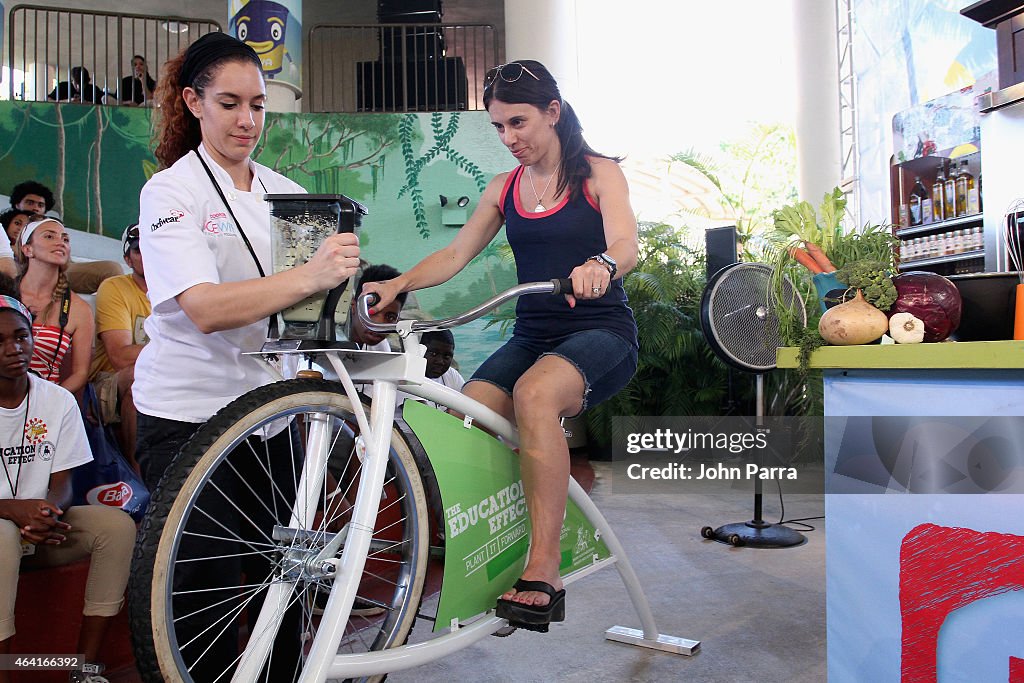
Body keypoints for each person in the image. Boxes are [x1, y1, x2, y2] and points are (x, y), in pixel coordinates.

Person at [362, 59, 639, 631]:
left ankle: (544, 567)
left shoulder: (596, 172)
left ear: (553, 114)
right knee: (469, 415)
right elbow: (454, 255)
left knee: (536, 395)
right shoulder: (505, 188)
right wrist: (397, 284)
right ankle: (496, 545)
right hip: (533, 334)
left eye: (519, 123)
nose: (509, 138)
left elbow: (627, 240)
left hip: (601, 332)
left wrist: (602, 264)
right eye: (499, 128)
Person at [133, 31, 359, 680]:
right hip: (189, 416)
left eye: (257, 105)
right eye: (229, 103)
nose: (247, 121)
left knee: (285, 583)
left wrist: (352, 307)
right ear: (193, 102)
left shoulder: (288, 193)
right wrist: (312, 276)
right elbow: (203, 307)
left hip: (274, 417)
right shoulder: (171, 193)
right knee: (201, 591)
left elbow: (313, 320)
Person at [0, 284, 136, 683]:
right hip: (7, 531)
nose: (13, 348)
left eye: (21, 336)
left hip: (38, 527)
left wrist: (47, 510)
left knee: (115, 526)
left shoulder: (56, 399)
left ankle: (85, 668)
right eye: (0, 341)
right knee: (3, 537)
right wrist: (13, 511)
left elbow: (64, 481)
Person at [87, 225, 149, 469]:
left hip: (170, 372)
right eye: (138, 249)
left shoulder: (181, 290)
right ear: (127, 259)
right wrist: (179, 350)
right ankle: (140, 478)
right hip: (109, 382)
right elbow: (120, 357)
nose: (147, 253)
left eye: (153, 246)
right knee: (141, 377)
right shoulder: (115, 287)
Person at [15, 219, 95, 396]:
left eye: (65, 239)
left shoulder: (79, 309)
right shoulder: (5, 294)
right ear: (27, 249)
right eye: (49, 236)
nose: (60, 242)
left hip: (43, 406)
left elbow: (80, 374)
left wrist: (51, 400)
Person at [8, 181, 122, 295]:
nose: (35, 208)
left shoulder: (52, 226)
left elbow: (67, 262)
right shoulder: (4, 228)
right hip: (27, 272)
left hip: (59, 269)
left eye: (40, 205)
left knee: (111, 269)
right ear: (17, 204)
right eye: (30, 202)